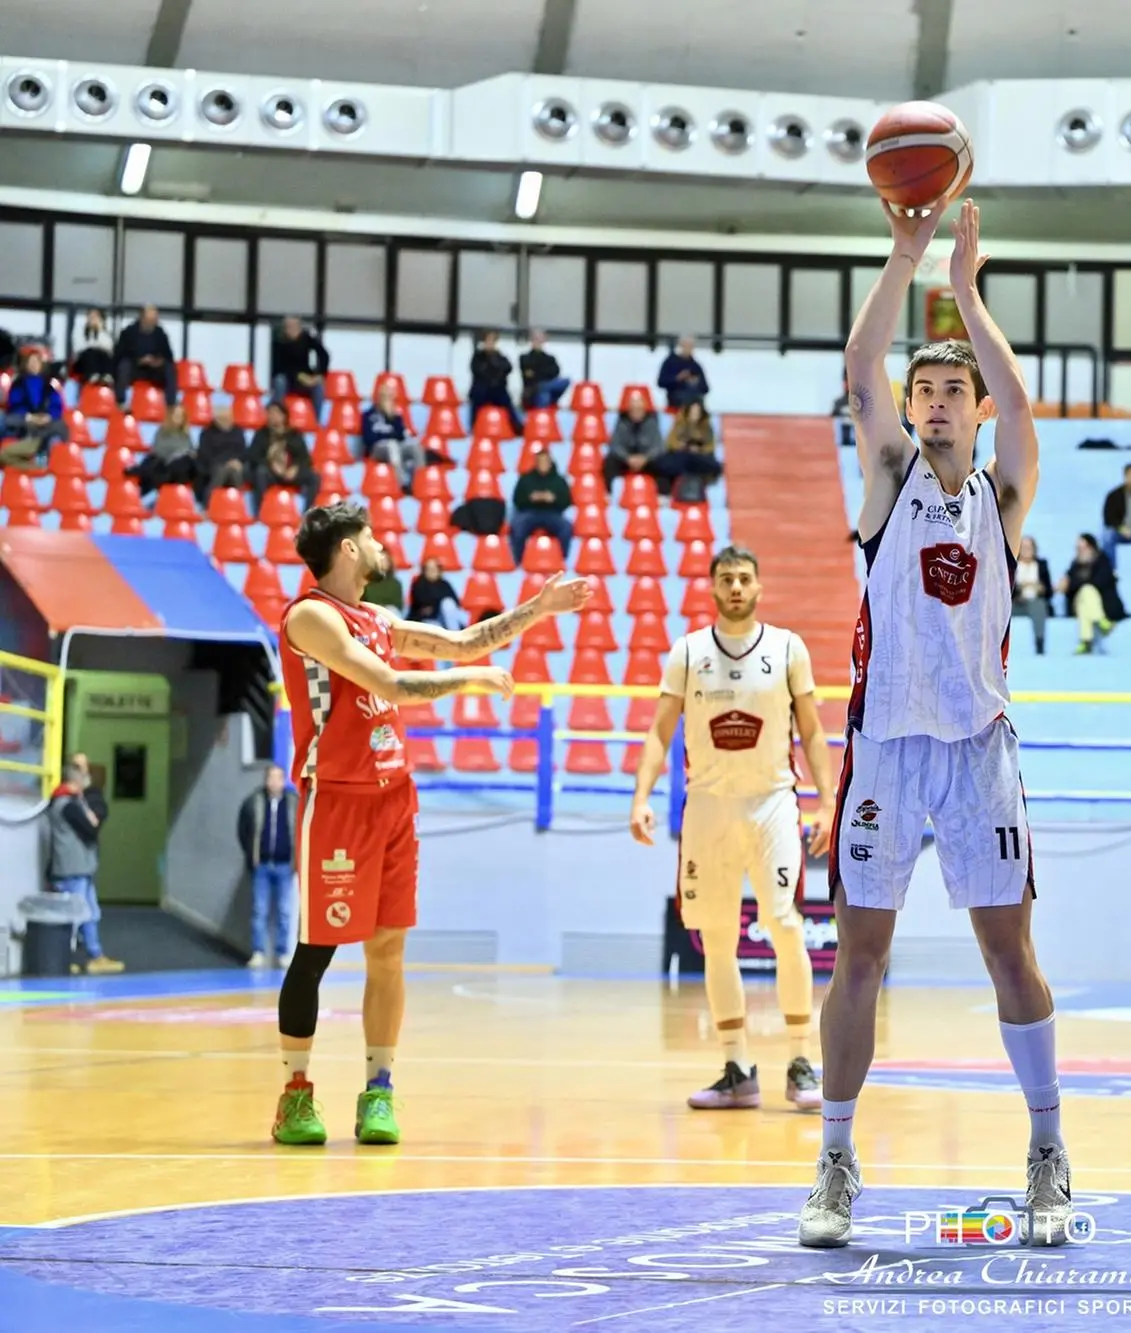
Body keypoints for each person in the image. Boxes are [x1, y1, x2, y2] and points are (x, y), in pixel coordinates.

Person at [804, 198, 1069, 1249]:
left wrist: (964, 289)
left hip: (978, 752)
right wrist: (905, 254)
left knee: (1010, 952)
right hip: (885, 751)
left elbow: (1021, 399)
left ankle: (1046, 1152)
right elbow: (855, 364)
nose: (941, 401)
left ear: (975, 406)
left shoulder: (1004, 497)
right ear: (910, 409)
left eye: (955, 389)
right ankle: (833, 1157)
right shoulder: (884, 479)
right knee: (858, 956)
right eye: (926, 389)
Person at [270, 499, 589, 1148]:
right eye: (370, 536)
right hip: (334, 798)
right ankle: (295, 1093)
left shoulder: (377, 616)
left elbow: (465, 639)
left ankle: (377, 1089)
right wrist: (472, 680)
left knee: (388, 950)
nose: (382, 544)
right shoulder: (309, 616)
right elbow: (387, 683)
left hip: (393, 797)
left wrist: (538, 608)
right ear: (348, 549)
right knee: (316, 951)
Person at [629, 546, 837, 1112]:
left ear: (759, 587)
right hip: (708, 808)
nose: (737, 587)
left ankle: (800, 1059)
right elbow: (657, 732)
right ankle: (737, 1066)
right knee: (716, 938)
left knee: (785, 923)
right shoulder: (689, 652)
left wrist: (827, 801)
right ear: (713, 588)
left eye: (745, 578)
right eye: (727, 579)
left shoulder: (788, 648)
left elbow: (815, 733)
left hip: (772, 803)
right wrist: (642, 797)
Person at [44, 755, 122, 975]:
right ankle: (65, 958)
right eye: (83, 773)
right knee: (75, 918)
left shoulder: (69, 801)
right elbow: (90, 828)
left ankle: (95, 955)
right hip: (72, 870)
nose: (87, 778)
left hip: (80, 869)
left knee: (89, 914)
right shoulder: (67, 804)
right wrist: (86, 809)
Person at [237, 765, 297, 970]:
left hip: (284, 866)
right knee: (259, 910)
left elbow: (300, 830)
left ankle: (282, 953)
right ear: (265, 780)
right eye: (270, 777)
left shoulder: (293, 802)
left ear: (284, 780)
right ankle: (258, 952)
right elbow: (243, 829)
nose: (274, 782)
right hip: (261, 865)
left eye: (278, 778)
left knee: (284, 911)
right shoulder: (254, 801)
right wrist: (250, 854)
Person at [1059, 532, 1126, 654]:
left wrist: (1077, 582)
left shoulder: (1103, 561)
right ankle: (1101, 621)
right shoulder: (1074, 566)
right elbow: (1069, 589)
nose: (1080, 551)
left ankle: (1086, 640)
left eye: (1083, 548)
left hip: (1103, 604)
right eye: (1078, 548)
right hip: (1078, 603)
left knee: (1087, 592)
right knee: (1086, 591)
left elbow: (1099, 582)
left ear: (1092, 548)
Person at [2, 347, 69, 468]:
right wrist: (29, 417)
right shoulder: (18, 384)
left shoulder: (49, 385)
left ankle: (40, 460)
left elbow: (56, 406)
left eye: (36, 362)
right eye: (31, 362)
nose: (33, 365)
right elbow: (15, 405)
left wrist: (48, 417)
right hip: (25, 423)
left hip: (45, 427)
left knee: (59, 425)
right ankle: (35, 466)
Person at [509, 448, 573, 565]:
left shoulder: (559, 481)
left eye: (545, 461)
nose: (543, 464)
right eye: (540, 461)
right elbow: (517, 500)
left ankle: (561, 560)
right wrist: (530, 498)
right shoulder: (526, 479)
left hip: (553, 513)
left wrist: (554, 499)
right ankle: (517, 561)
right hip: (529, 512)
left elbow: (567, 501)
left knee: (566, 527)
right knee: (517, 526)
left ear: (550, 462)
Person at [113, 304, 178, 407]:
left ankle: (171, 404)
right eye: (150, 319)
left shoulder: (160, 333)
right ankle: (120, 402)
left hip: (154, 369)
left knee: (169, 368)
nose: (153, 322)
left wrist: (159, 361)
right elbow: (119, 355)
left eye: (154, 319)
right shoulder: (128, 332)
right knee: (124, 365)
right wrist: (139, 360)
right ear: (142, 318)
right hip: (135, 368)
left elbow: (168, 356)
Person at [250, 418, 319, 512]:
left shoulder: (295, 435)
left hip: (292, 473)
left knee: (314, 477)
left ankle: (308, 513)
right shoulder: (262, 434)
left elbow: (306, 459)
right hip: (272, 474)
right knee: (260, 472)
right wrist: (271, 466)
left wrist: (295, 468)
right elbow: (254, 457)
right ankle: (260, 512)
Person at [128, 403, 196, 495]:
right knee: (154, 464)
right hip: (162, 462)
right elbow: (158, 449)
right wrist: (173, 455)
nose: (177, 419)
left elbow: (188, 451)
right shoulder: (161, 432)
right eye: (175, 415)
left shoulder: (186, 435)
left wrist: (177, 455)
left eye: (180, 416)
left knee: (180, 465)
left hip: (177, 467)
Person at [662, 399, 722, 502]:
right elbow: (671, 443)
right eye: (692, 411)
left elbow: (710, 446)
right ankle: (666, 495)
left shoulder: (706, 427)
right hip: (681, 457)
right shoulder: (678, 424)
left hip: (699, 458)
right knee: (666, 465)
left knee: (714, 466)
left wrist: (699, 449)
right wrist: (683, 446)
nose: (695, 414)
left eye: (697, 411)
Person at [269, 316, 329, 417]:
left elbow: (324, 354)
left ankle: (316, 422)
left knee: (318, 387)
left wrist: (319, 375)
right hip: (287, 378)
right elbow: (278, 367)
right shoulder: (278, 342)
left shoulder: (307, 339)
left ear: (299, 328)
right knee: (279, 381)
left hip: (304, 378)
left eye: (292, 327)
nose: (289, 330)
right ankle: (278, 415)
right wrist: (299, 376)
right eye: (287, 327)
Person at [359, 385, 420, 483]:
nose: (387, 399)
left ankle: (420, 482)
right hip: (376, 449)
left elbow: (401, 436)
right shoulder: (367, 416)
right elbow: (369, 439)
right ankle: (402, 483)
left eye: (389, 397)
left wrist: (390, 417)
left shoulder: (396, 417)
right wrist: (390, 435)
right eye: (384, 396)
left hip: (396, 446)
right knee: (392, 445)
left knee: (415, 446)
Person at [606, 393, 666, 490]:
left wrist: (645, 458)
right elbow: (615, 445)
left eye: (639, 409)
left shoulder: (652, 423)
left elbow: (658, 447)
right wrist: (627, 458)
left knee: (663, 464)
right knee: (610, 462)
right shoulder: (622, 423)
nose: (636, 412)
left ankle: (661, 495)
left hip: (646, 459)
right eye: (633, 410)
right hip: (626, 459)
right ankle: (610, 492)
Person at [195, 400, 251, 503]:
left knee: (236, 471)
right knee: (222, 471)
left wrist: (237, 461)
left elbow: (243, 452)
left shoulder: (238, 431)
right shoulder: (207, 433)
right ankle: (209, 505)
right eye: (222, 418)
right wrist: (227, 462)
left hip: (235, 465)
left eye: (227, 418)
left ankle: (237, 504)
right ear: (215, 419)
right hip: (215, 465)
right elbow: (205, 454)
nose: (225, 421)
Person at [468, 330, 522, 433]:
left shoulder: (500, 356)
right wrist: (494, 371)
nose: (490, 343)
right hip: (482, 389)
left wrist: (494, 371)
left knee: (505, 399)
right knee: (477, 394)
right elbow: (478, 371)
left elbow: (508, 368)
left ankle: (516, 426)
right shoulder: (478, 357)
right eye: (488, 341)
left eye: (492, 341)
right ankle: (474, 425)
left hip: (497, 389)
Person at [1012, 535, 1053, 655]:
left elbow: (1049, 591)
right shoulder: (1011, 565)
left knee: (1038, 605)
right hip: (1017, 604)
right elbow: (1006, 592)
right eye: (1023, 547)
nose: (1026, 550)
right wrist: (1020, 588)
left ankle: (1039, 641)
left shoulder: (1042, 565)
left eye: (1029, 547)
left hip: (1036, 601)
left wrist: (1041, 588)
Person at [407, 558, 465, 630]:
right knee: (434, 627)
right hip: (427, 620)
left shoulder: (445, 584)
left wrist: (436, 604)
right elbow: (421, 602)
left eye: (434, 568)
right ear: (424, 570)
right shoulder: (419, 584)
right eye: (429, 568)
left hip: (444, 619)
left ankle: (455, 635)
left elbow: (455, 602)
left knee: (448, 603)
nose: (432, 571)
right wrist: (438, 602)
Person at [518, 330, 570, 409]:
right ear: (531, 340)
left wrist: (536, 372)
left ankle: (543, 388)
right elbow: (528, 375)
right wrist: (545, 373)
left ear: (543, 340)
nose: (537, 341)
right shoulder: (524, 358)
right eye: (535, 339)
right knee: (544, 393)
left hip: (545, 387)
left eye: (539, 339)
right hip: (532, 392)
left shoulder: (550, 358)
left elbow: (556, 371)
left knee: (565, 381)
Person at [656, 335, 709, 411]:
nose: (689, 348)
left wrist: (696, 382)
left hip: (695, 399)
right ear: (681, 345)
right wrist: (678, 378)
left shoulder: (696, 366)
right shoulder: (670, 361)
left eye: (691, 346)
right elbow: (660, 382)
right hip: (676, 399)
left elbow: (706, 388)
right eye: (686, 345)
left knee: (697, 401)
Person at [69, 308, 114, 385]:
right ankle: (92, 375)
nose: (93, 319)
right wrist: (93, 339)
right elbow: (78, 348)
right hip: (84, 362)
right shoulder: (80, 330)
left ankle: (106, 376)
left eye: (96, 317)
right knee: (91, 351)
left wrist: (99, 331)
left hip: (100, 363)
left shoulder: (105, 333)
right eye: (91, 317)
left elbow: (109, 347)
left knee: (104, 354)